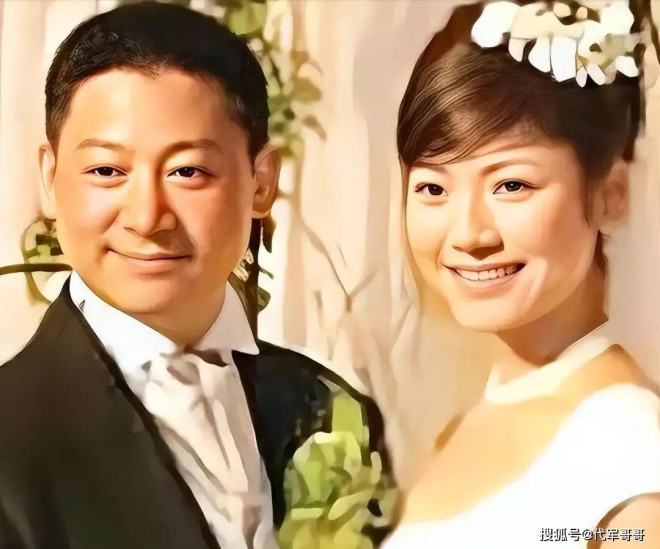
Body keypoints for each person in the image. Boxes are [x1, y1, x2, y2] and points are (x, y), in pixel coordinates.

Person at [0, 3, 394, 548]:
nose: (147, 218)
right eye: (107, 171)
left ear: (260, 182)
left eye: (187, 171)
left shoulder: (329, 408)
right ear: (50, 177)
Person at [383, 2, 660, 548]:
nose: (469, 234)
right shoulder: (468, 424)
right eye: (433, 188)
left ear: (610, 195)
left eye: (511, 185)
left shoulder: (626, 447)